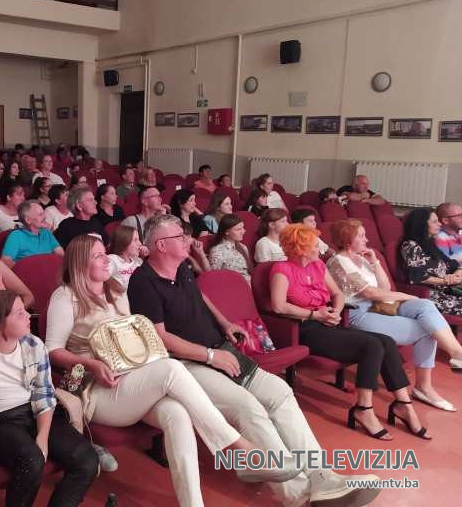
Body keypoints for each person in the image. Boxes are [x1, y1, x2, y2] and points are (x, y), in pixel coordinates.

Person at [127, 216, 381, 507]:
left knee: (280, 392)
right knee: (248, 408)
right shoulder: (142, 282)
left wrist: (224, 324)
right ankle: (297, 495)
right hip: (186, 365)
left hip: (221, 350)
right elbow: (159, 337)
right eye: (180, 237)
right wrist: (211, 356)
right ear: (161, 245)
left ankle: (321, 476)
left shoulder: (182, 268)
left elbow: (200, 296)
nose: (188, 240)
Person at [48, 235, 306, 507]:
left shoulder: (116, 290)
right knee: (171, 367)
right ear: (79, 263)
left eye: (105, 254)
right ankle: (238, 447)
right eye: (98, 256)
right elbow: (52, 350)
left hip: (133, 379)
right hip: (98, 389)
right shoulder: (65, 297)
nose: (106, 260)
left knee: (178, 415)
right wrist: (92, 364)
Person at [0, 290, 98, 507]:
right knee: (32, 461)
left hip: (33, 412)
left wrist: (42, 436)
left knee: (87, 460)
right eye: (20, 313)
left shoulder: (34, 346)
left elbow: (44, 393)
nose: (29, 316)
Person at [270, 224, 429, 442]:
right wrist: (314, 315)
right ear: (301, 248)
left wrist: (335, 311)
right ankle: (363, 409)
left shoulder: (318, 265)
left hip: (328, 322)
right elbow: (278, 306)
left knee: (386, 341)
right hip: (304, 329)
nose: (320, 249)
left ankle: (403, 404)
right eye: (315, 245)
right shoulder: (281, 269)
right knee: (372, 345)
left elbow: (338, 294)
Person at [328, 218, 462, 410]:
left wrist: (375, 263)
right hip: (357, 314)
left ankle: (456, 353)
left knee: (425, 305)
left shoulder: (362, 258)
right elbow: (370, 293)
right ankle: (424, 387)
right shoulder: (338, 262)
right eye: (362, 236)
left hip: (380, 305)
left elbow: (385, 289)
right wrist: (405, 296)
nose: (367, 239)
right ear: (348, 239)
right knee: (428, 329)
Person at [400, 207, 462, 318]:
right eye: (435, 222)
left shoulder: (429, 243)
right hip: (430, 294)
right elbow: (418, 277)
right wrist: (446, 281)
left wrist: (457, 275)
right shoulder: (410, 246)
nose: (440, 224)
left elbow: (453, 264)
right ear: (422, 225)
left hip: (448, 287)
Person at [1, 201, 64, 267]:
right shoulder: (16, 236)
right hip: (27, 272)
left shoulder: (46, 232)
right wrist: (26, 269)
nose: (45, 217)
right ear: (28, 220)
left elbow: (60, 254)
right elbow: (6, 261)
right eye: (40, 214)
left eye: (43, 213)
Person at [208, 214, 252, 284]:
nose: (243, 231)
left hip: (248, 283)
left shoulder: (243, 247)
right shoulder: (217, 251)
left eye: (243, 228)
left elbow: (247, 271)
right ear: (227, 232)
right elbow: (214, 277)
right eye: (238, 229)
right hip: (232, 285)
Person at [107, 224, 144, 289]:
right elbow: (103, 280)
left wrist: (148, 257)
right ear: (124, 241)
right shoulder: (112, 259)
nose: (140, 243)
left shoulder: (138, 261)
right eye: (135, 240)